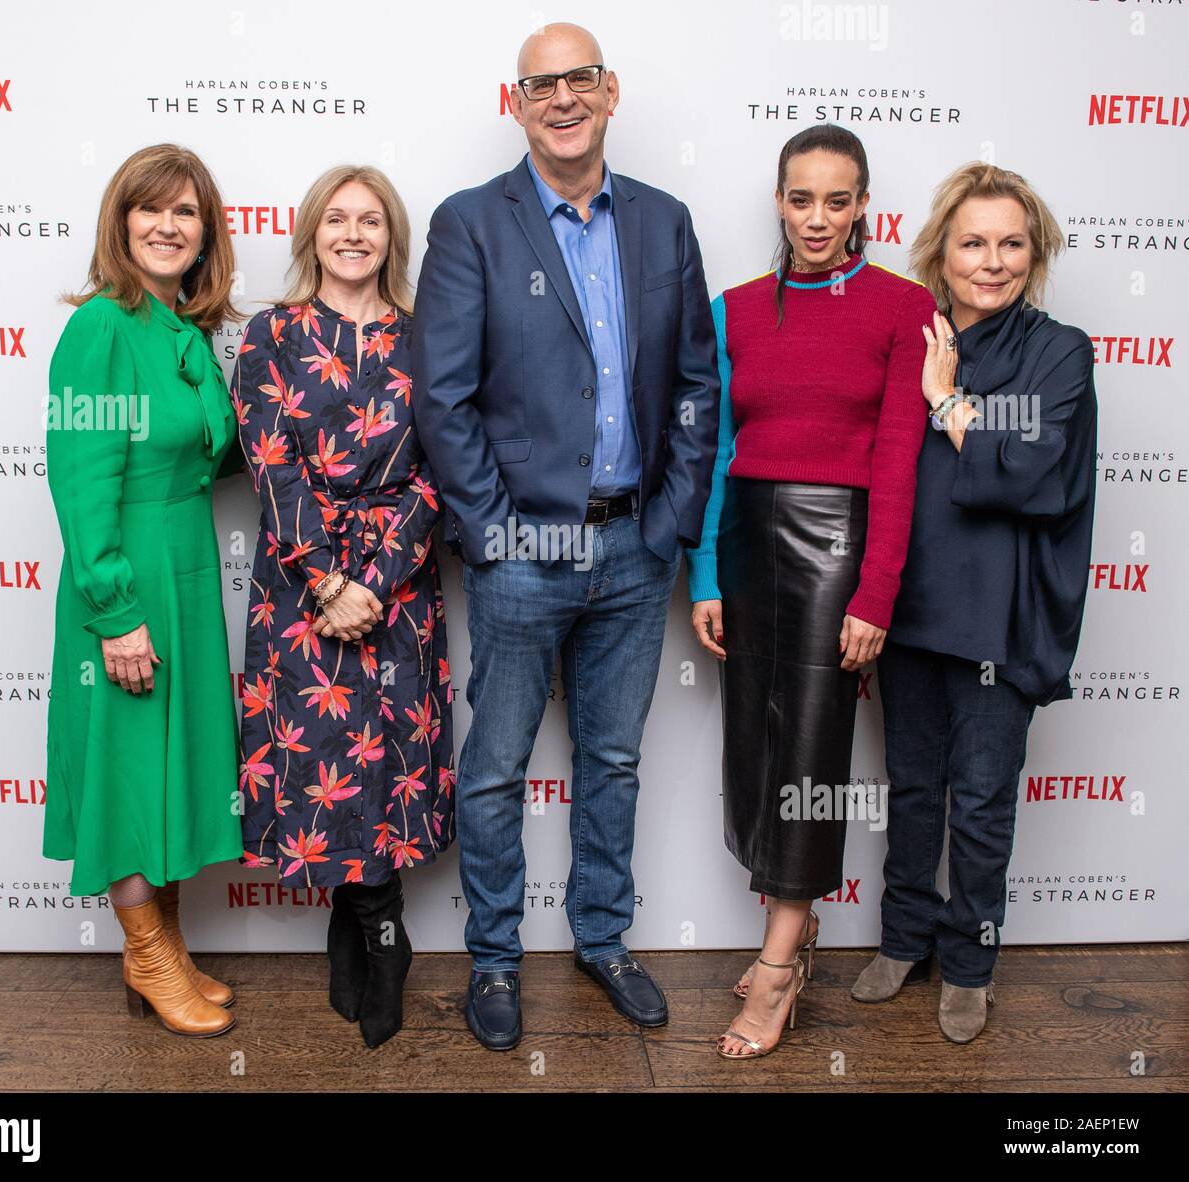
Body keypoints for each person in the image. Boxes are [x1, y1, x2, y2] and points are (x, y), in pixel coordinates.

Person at [412, 22, 718, 1051]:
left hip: (635, 547)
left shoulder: (665, 224)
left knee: (614, 760)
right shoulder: (469, 225)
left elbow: (694, 385)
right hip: (523, 553)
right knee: (494, 766)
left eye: (576, 79)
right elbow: (444, 400)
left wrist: (671, 526)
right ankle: (493, 960)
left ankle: (603, 939)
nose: (559, 98)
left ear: (609, 89)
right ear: (515, 103)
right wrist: (494, 536)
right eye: (537, 84)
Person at [685, 124, 936, 1059]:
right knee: (755, 749)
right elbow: (714, 452)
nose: (817, 218)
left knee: (813, 757)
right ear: (779, 200)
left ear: (864, 203)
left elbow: (900, 463)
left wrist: (876, 594)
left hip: (841, 549)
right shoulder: (735, 309)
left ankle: (780, 964)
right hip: (748, 542)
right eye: (801, 198)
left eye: (838, 200)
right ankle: (798, 928)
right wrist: (705, 570)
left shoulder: (903, 308)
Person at [851, 163, 1098, 1044]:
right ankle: (903, 938)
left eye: (1010, 244)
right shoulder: (909, 332)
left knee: (983, 798)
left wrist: (948, 402)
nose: (990, 262)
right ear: (940, 252)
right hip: (910, 605)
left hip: (1000, 615)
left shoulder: (1058, 348)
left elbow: (1028, 472)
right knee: (913, 787)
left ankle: (970, 963)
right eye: (972, 243)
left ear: (1034, 255)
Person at [233, 165, 454, 1049]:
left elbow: (446, 467)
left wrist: (381, 574)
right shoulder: (270, 335)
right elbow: (270, 460)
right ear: (311, 233)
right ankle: (356, 920)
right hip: (299, 588)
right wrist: (327, 578)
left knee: (389, 755)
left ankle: (382, 933)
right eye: (337, 218)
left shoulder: (430, 338)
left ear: (391, 235)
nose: (353, 233)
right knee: (324, 756)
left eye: (371, 220)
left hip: (399, 587)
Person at [44, 143, 245, 1037]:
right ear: (120, 222)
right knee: (128, 772)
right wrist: (116, 613)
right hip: (126, 579)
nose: (168, 226)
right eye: (150, 209)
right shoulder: (100, 328)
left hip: (188, 573)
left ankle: (167, 946)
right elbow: (81, 486)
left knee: (171, 767)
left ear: (207, 234)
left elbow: (216, 454)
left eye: (187, 213)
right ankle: (150, 958)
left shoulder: (183, 332)